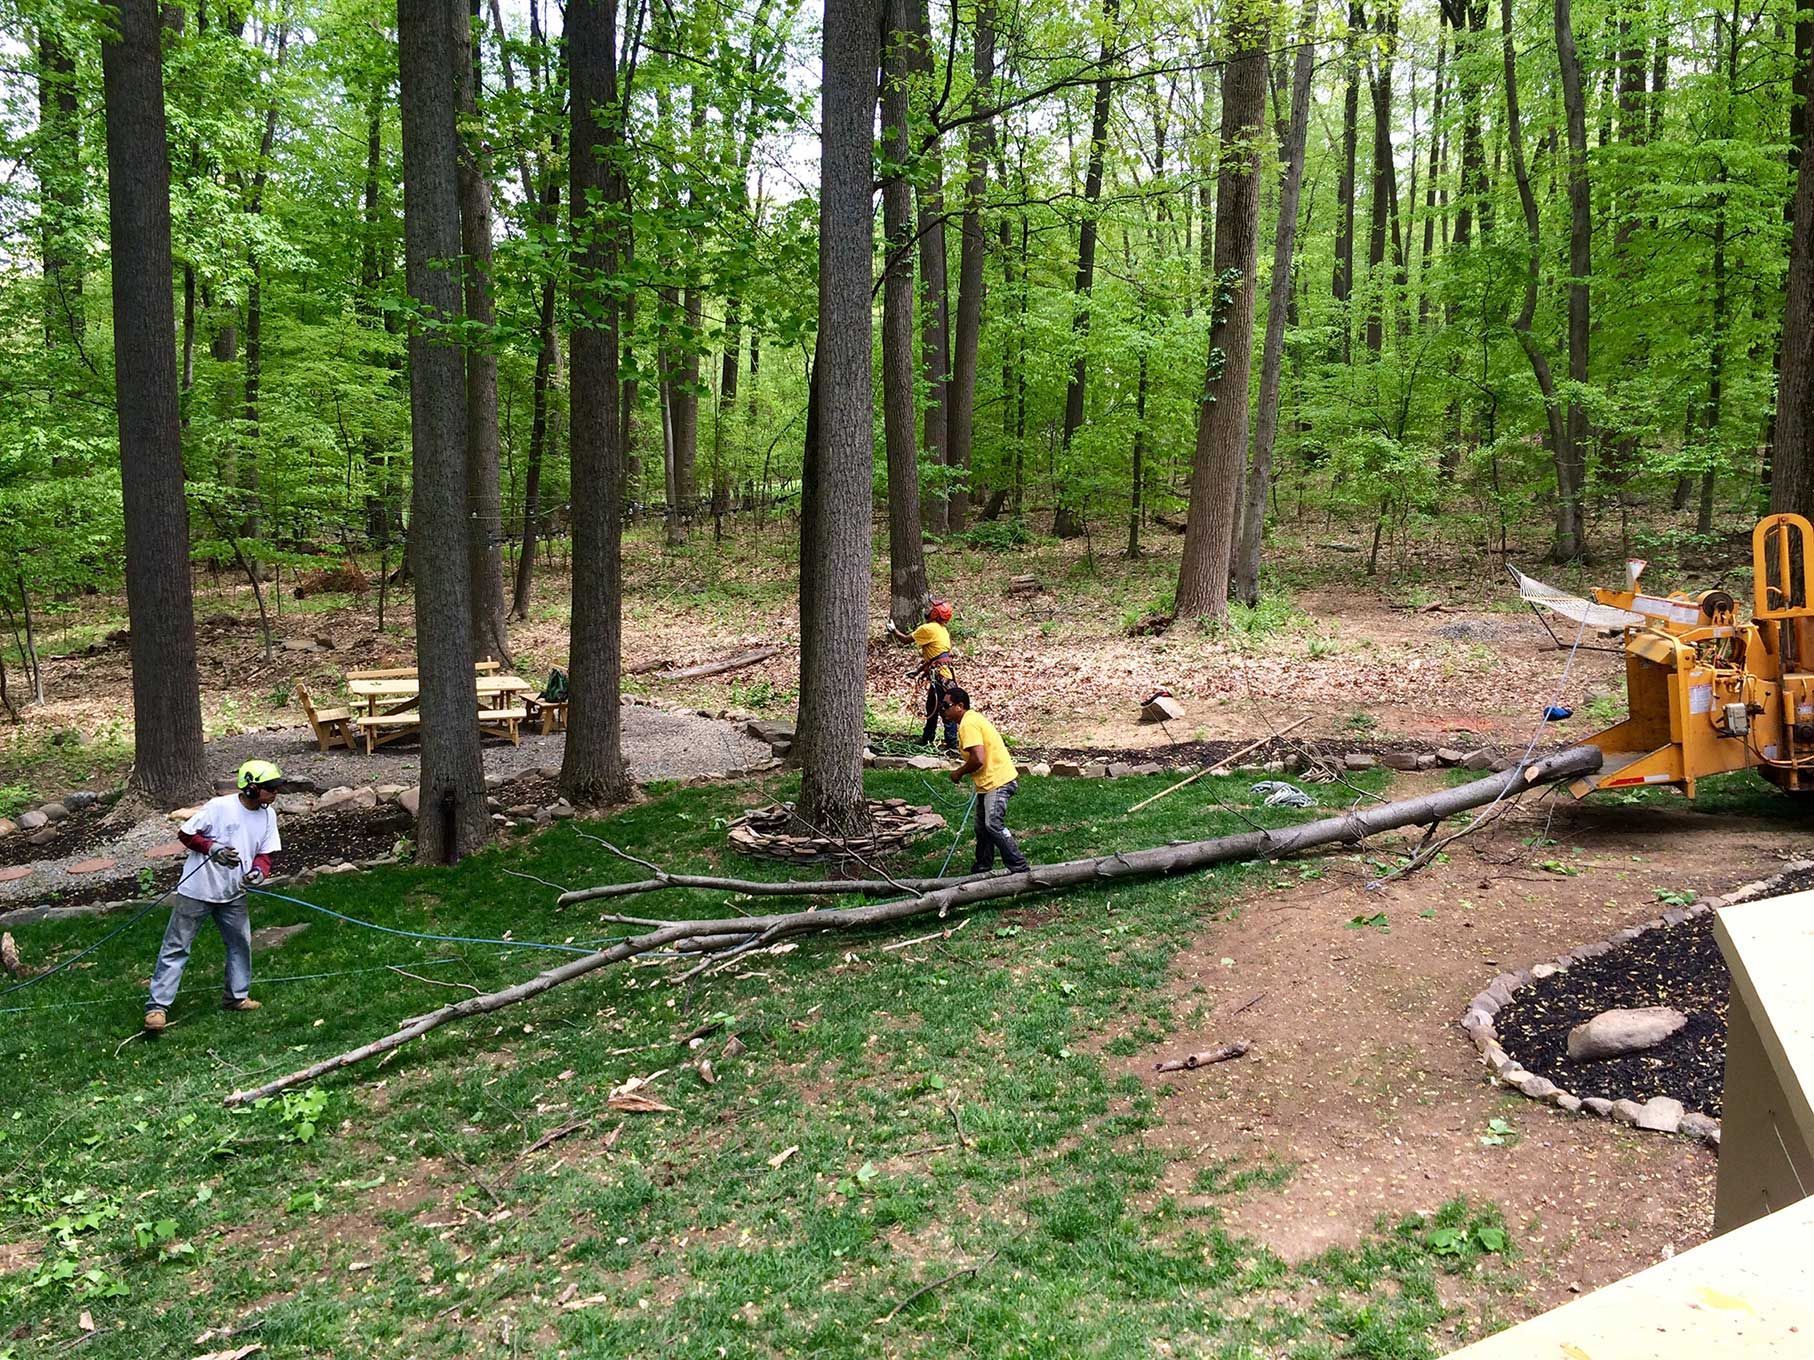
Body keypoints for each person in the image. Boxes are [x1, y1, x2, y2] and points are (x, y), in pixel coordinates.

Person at [143, 759, 284, 1033]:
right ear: (252, 788)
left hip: (234, 893)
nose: (276, 793)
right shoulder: (220, 807)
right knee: (177, 947)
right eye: (271, 788)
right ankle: (157, 1008)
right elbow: (185, 833)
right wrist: (212, 849)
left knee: (240, 944)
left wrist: (258, 872)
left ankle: (236, 997)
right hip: (196, 890)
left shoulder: (268, 815)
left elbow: (266, 853)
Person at [943, 687, 1030, 875]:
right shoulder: (970, 720)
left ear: (960, 706)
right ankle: (983, 866)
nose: (943, 710)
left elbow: (978, 759)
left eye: (946, 705)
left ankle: (1019, 866)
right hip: (987, 783)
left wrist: (958, 773)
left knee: (993, 824)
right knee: (981, 828)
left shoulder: (968, 724)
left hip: (998, 781)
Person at [889, 599, 960, 751]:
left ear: (935, 613)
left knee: (946, 708)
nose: (927, 609)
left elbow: (906, 640)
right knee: (932, 707)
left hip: (940, 676)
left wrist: (894, 630)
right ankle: (928, 737)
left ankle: (952, 744)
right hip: (944, 674)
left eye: (931, 608)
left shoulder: (929, 628)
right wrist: (919, 671)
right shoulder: (942, 630)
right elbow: (936, 657)